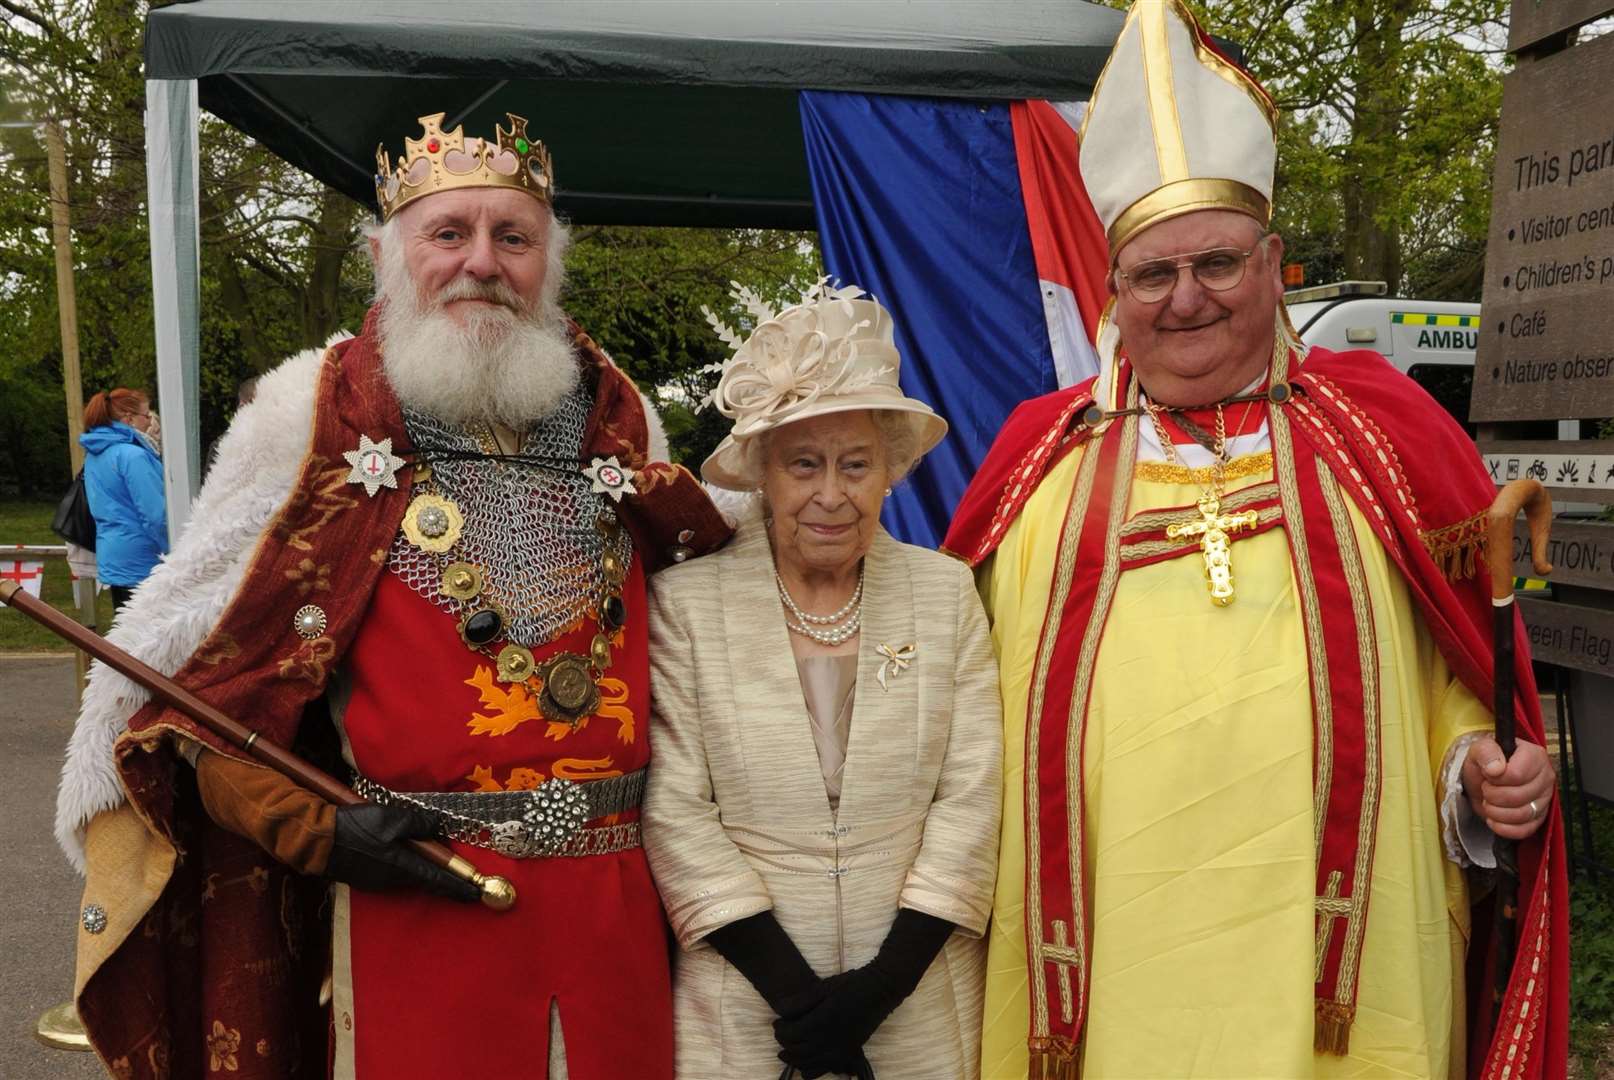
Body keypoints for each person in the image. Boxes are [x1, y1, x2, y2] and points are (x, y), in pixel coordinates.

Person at [943, 3, 1569, 1077]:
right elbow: (946, 699)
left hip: (1347, 955)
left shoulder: (1382, 436)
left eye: (1219, 263)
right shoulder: (1033, 463)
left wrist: (1478, 766)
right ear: (1114, 290)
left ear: (1274, 261)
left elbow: (1452, 672)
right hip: (1101, 955)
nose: (1187, 299)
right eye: (1154, 273)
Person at [54, 112, 729, 1079]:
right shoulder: (307, 418)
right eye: (448, 234)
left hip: (618, 901)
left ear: (552, 259)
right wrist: (316, 828)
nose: (481, 263)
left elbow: (695, 601)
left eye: (514, 237)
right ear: (387, 254)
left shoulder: (620, 418)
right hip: (413, 896)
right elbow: (202, 695)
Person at [641, 283, 1002, 1079]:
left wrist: (878, 991)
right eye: (804, 464)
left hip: (918, 997)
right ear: (764, 475)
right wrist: (802, 1001)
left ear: (889, 474)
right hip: (745, 1004)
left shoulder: (945, 592)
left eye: (856, 465)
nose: (830, 495)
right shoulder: (687, 605)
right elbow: (675, 810)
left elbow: (973, 792)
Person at [78, 388, 167, 611]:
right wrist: (178, 552)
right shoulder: (133, 456)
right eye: (147, 416)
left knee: (126, 637)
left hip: (115, 555)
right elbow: (156, 515)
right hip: (145, 560)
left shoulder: (96, 454)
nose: (151, 422)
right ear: (129, 419)